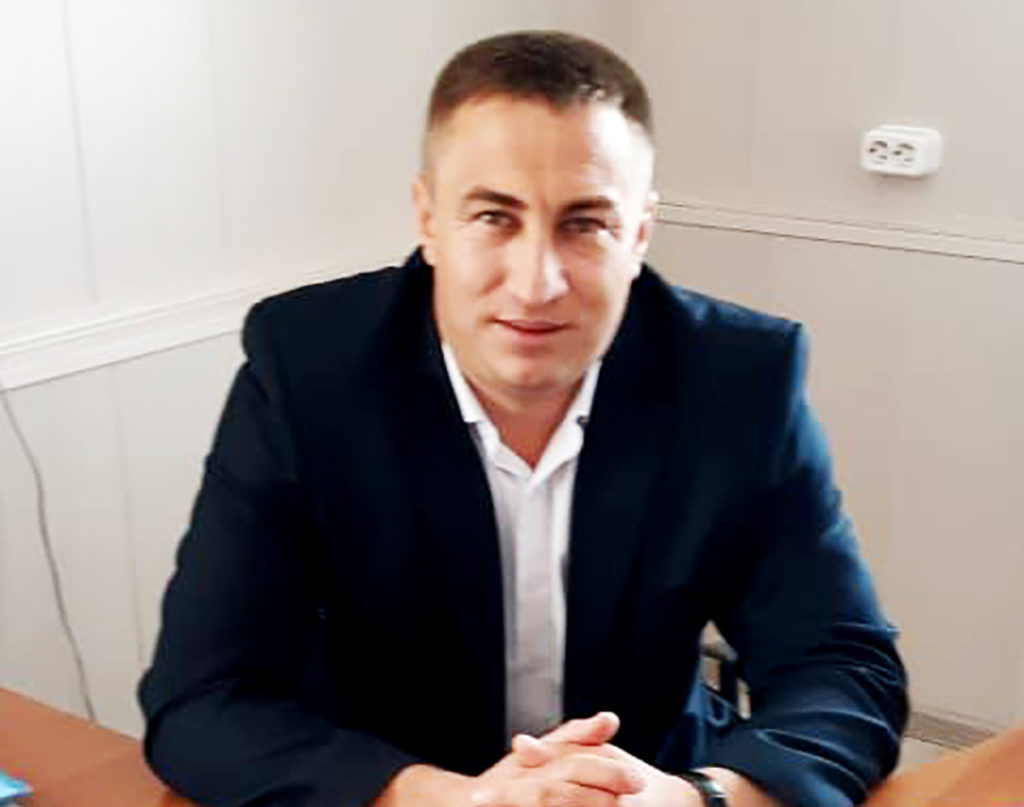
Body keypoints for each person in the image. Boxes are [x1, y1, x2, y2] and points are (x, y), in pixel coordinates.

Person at [139, 31, 908, 807]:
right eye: (493, 216)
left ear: (639, 234)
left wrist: (695, 798)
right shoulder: (307, 370)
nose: (536, 284)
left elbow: (844, 667)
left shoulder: (739, 379)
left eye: (585, 223)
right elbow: (202, 697)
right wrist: (453, 800)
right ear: (429, 219)